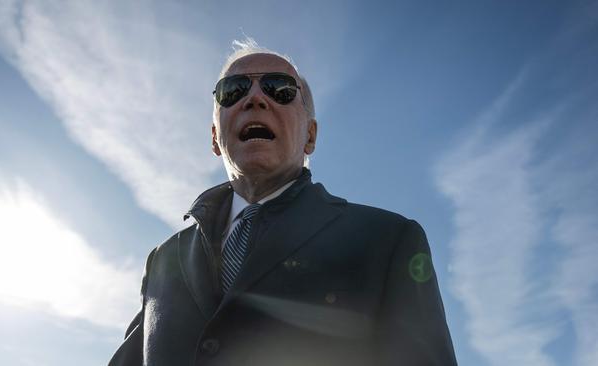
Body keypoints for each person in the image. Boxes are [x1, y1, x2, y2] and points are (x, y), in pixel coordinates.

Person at [109, 40, 457, 366]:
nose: (256, 99)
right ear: (215, 137)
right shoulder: (163, 261)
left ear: (310, 135)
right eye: (234, 90)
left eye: (280, 89)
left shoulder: (388, 240)